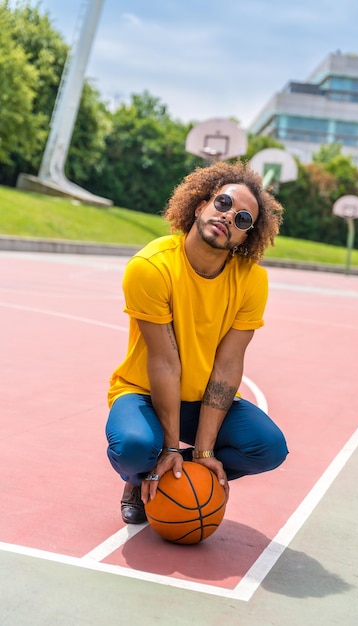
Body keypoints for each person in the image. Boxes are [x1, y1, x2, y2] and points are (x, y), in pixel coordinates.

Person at [106, 160, 289, 524]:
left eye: (242, 220)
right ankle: (137, 476)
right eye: (223, 203)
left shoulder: (252, 282)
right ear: (201, 204)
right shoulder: (152, 266)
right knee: (135, 448)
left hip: (204, 398)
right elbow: (164, 362)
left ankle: (175, 470)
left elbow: (227, 365)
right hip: (144, 391)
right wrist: (171, 444)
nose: (228, 217)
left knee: (268, 448)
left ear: (245, 237)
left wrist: (203, 451)